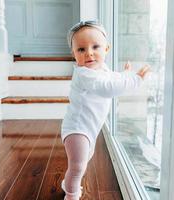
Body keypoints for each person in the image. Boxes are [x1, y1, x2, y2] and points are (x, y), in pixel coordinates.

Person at [60, 20, 150, 200]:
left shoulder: (101, 69)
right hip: (77, 129)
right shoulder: (84, 74)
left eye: (95, 47)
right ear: (74, 54)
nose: (89, 54)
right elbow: (107, 87)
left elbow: (112, 78)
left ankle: (68, 182)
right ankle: (71, 194)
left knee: (82, 162)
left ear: (106, 49)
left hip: (89, 128)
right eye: (81, 49)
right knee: (77, 167)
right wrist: (135, 80)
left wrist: (125, 75)